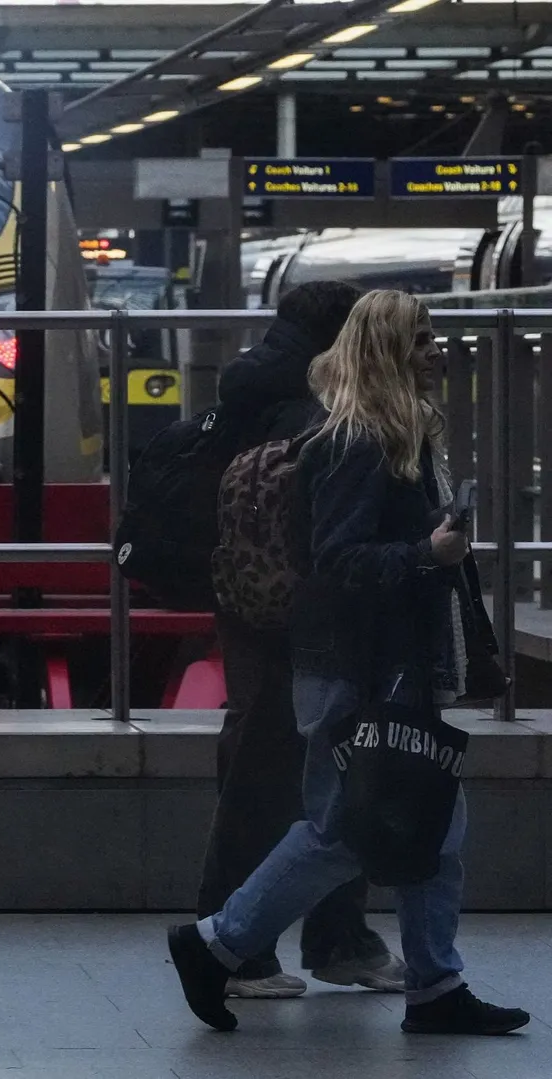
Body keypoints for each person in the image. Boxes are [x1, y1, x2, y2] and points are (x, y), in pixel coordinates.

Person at [169, 289, 530, 1036]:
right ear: (390, 352)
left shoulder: (398, 436)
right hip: (355, 669)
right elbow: (334, 562)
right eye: (423, 340)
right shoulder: (356, 441)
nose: (437, 352)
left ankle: (435, 985)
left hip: (389, 664)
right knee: (339, 831)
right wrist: (424, 552)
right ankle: (217, 942)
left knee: (434, 829)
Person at [194, 281, 407, 1000]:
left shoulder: (258, 387)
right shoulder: (311, 408)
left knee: (310, 778)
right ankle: (236, 944)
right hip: (300, 612)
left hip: (260, 600)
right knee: (280, 775)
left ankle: (325, 939)